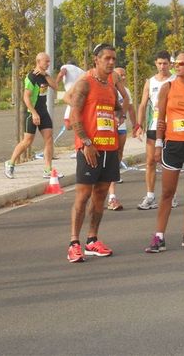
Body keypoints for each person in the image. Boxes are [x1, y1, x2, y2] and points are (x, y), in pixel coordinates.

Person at [145, 50, 184, 253]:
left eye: (181, 63)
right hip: (172, 145)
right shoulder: (167, 87)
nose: (176, 66)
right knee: (167, 193)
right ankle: (159, 236)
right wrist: (158, 145)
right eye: (176, 63)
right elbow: (160, 119)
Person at [66, 43, 122, 262]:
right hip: (90, 149)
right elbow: (74, 116)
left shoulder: (109, 86)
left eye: (113, 59)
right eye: (107, 58)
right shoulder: (85, 84)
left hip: (109, 148)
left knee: (100, 196)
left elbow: (115, 107)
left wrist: (120, 116)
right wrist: (87, 142)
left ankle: (92, 239)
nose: (111, 62)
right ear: (96, 60)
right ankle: (73, 242)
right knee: (83, 196)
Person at [4, 52, 61, 179]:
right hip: (32, 113)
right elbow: (26, 97)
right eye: (46, 61)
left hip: (43, 112)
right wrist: (34, 113)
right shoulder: (31, 77)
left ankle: (47, 169)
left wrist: (45, 75)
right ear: (38, 62)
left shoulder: (44, 76)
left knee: (49, 139)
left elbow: (56, 86)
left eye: (49, 61)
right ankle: (10, 163)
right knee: (27, 141)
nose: (48, 64)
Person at [134, 51, 179, 210]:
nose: (162, 66)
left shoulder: (175, 80)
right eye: (159, 63)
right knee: (151, 161)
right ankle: (150, 196)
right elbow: (142, 104)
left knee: (170, 163)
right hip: (153, 127)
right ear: (155, 63)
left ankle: (171, 195)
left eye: (165, 63)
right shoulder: (150, 82)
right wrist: (139, 125)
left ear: (170, 64)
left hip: (171, 127)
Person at [106, 67, 137, 211]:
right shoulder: (104, 87)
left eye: (124, 75)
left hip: (120, 126)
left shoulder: (126, 91)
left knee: (118, 153)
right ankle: (108, 193)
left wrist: (135, 124)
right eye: (120, 75)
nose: (122, 78)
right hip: (105, 128)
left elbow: (130, 108)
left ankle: (114, 177)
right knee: (108, 157)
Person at [56, 61, 85, 131]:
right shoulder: (82, 71)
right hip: (82, 95)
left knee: (68, 125)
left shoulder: (66, 67)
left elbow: (61, 73)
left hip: (72, 94)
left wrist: (56, 83)